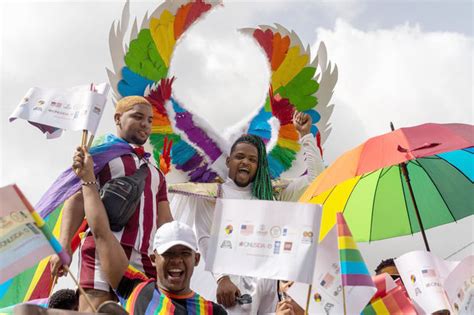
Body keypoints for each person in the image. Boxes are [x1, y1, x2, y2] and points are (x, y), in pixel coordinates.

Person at [180, 111, 324, 314]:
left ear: (258, 166)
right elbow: (205, 237)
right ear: (229, 161)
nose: (245, 162)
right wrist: (222, 278)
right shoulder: (214, 194)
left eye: (252, 159)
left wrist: (306, 136)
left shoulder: (272, 195)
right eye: (239, 157)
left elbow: (315, 180)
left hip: (270, 283)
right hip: (234, 283)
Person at [50, 96, 173, 312]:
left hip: (143, 257)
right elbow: (77, 199)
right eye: (137, 116)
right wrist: (63, 245)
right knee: (94, 309)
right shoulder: (97, 156)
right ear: (117, 118)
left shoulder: (156, 174)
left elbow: (165, 222)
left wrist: (174, 252)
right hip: (100, 249)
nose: (145, 123)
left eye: (150, 120)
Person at [73, 145, 226, 314]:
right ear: (153, 258)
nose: (176, 260)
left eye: (184, 253)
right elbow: (101, 233)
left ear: (196, 259)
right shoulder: (135, 289)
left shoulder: (213, 311)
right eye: (168, 254)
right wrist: (88, 180)